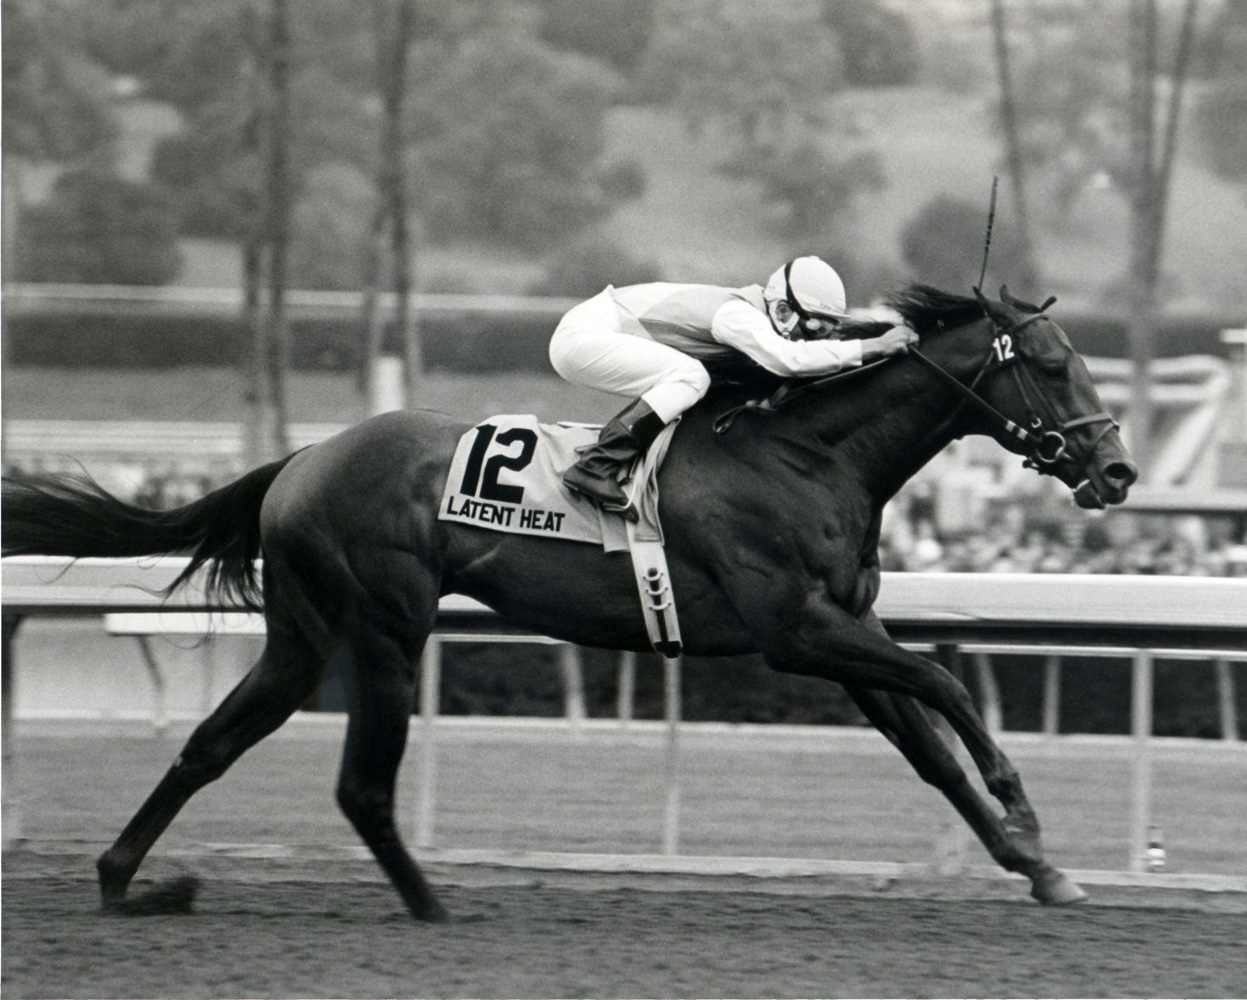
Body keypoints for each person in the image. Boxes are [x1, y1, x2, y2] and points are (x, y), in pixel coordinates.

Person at [548, 255, 920, 515]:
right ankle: (595, 466)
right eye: (817, 325)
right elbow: (789, 361)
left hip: (593, 329)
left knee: (698, 378)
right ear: (783, 310)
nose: (819, 335)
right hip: (583, 335)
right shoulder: (739, 316)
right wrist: (874, 346)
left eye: (828, 327)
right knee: (691, 377)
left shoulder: (753, 312)